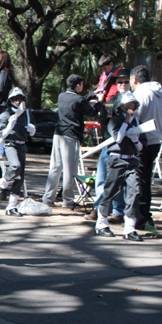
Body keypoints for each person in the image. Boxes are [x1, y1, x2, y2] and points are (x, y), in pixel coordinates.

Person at [94, 91, 144, 241]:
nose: (131, 107)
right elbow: (118, 138)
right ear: (121, 106)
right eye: (129, 104)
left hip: (131, 160)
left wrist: (135, 139)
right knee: (111, 191)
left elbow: (140, 147)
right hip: (117, 160)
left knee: (134, 192)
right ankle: (101, 223)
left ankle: (129, 227)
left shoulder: (136, 122)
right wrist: (126, 123)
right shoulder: (114, 121)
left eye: (133, 104)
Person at [42, 74, 97, 209]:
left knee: (55, 167)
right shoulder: (79, 100)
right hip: (71, 136)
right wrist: (99, 102)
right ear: (78, 85)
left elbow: (78, 101)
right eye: (82, 85)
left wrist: (89, 95)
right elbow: (91, 112)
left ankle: (47, 197)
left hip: (58, 134)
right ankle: (67, 200)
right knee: (69, 169)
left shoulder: (62, 96)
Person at [85, 69, 132, 222]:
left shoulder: (135, 99)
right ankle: (99, 208)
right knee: (102, 177)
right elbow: (104, 121)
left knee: (121, 180)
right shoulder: (111, 100)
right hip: (109, 142)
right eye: (120, 82)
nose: (123, 84)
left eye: (126, 81)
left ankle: (118, 211)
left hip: (128, 145)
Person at [130, 65, 162, 231]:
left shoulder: (140, 93)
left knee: (138, 180)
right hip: (156, 140)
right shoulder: (161, 95)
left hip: (142, 141)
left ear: (134, 79)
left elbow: (134, 117)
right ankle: (144, 215)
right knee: (145, 179)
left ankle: (141, 215)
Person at [0, 87, 35, 215]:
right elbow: (2, 134)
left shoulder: (27, 114)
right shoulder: (5, 115)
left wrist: (31, 129)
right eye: (15, 99)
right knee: (15, 166)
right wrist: (9, 126)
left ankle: (11, 207)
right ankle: (3, 183)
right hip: (10, 144)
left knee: (19, 177)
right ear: (10, 100)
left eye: (20, 98)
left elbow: (32, 132)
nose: (18, 101)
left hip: (22, 145)